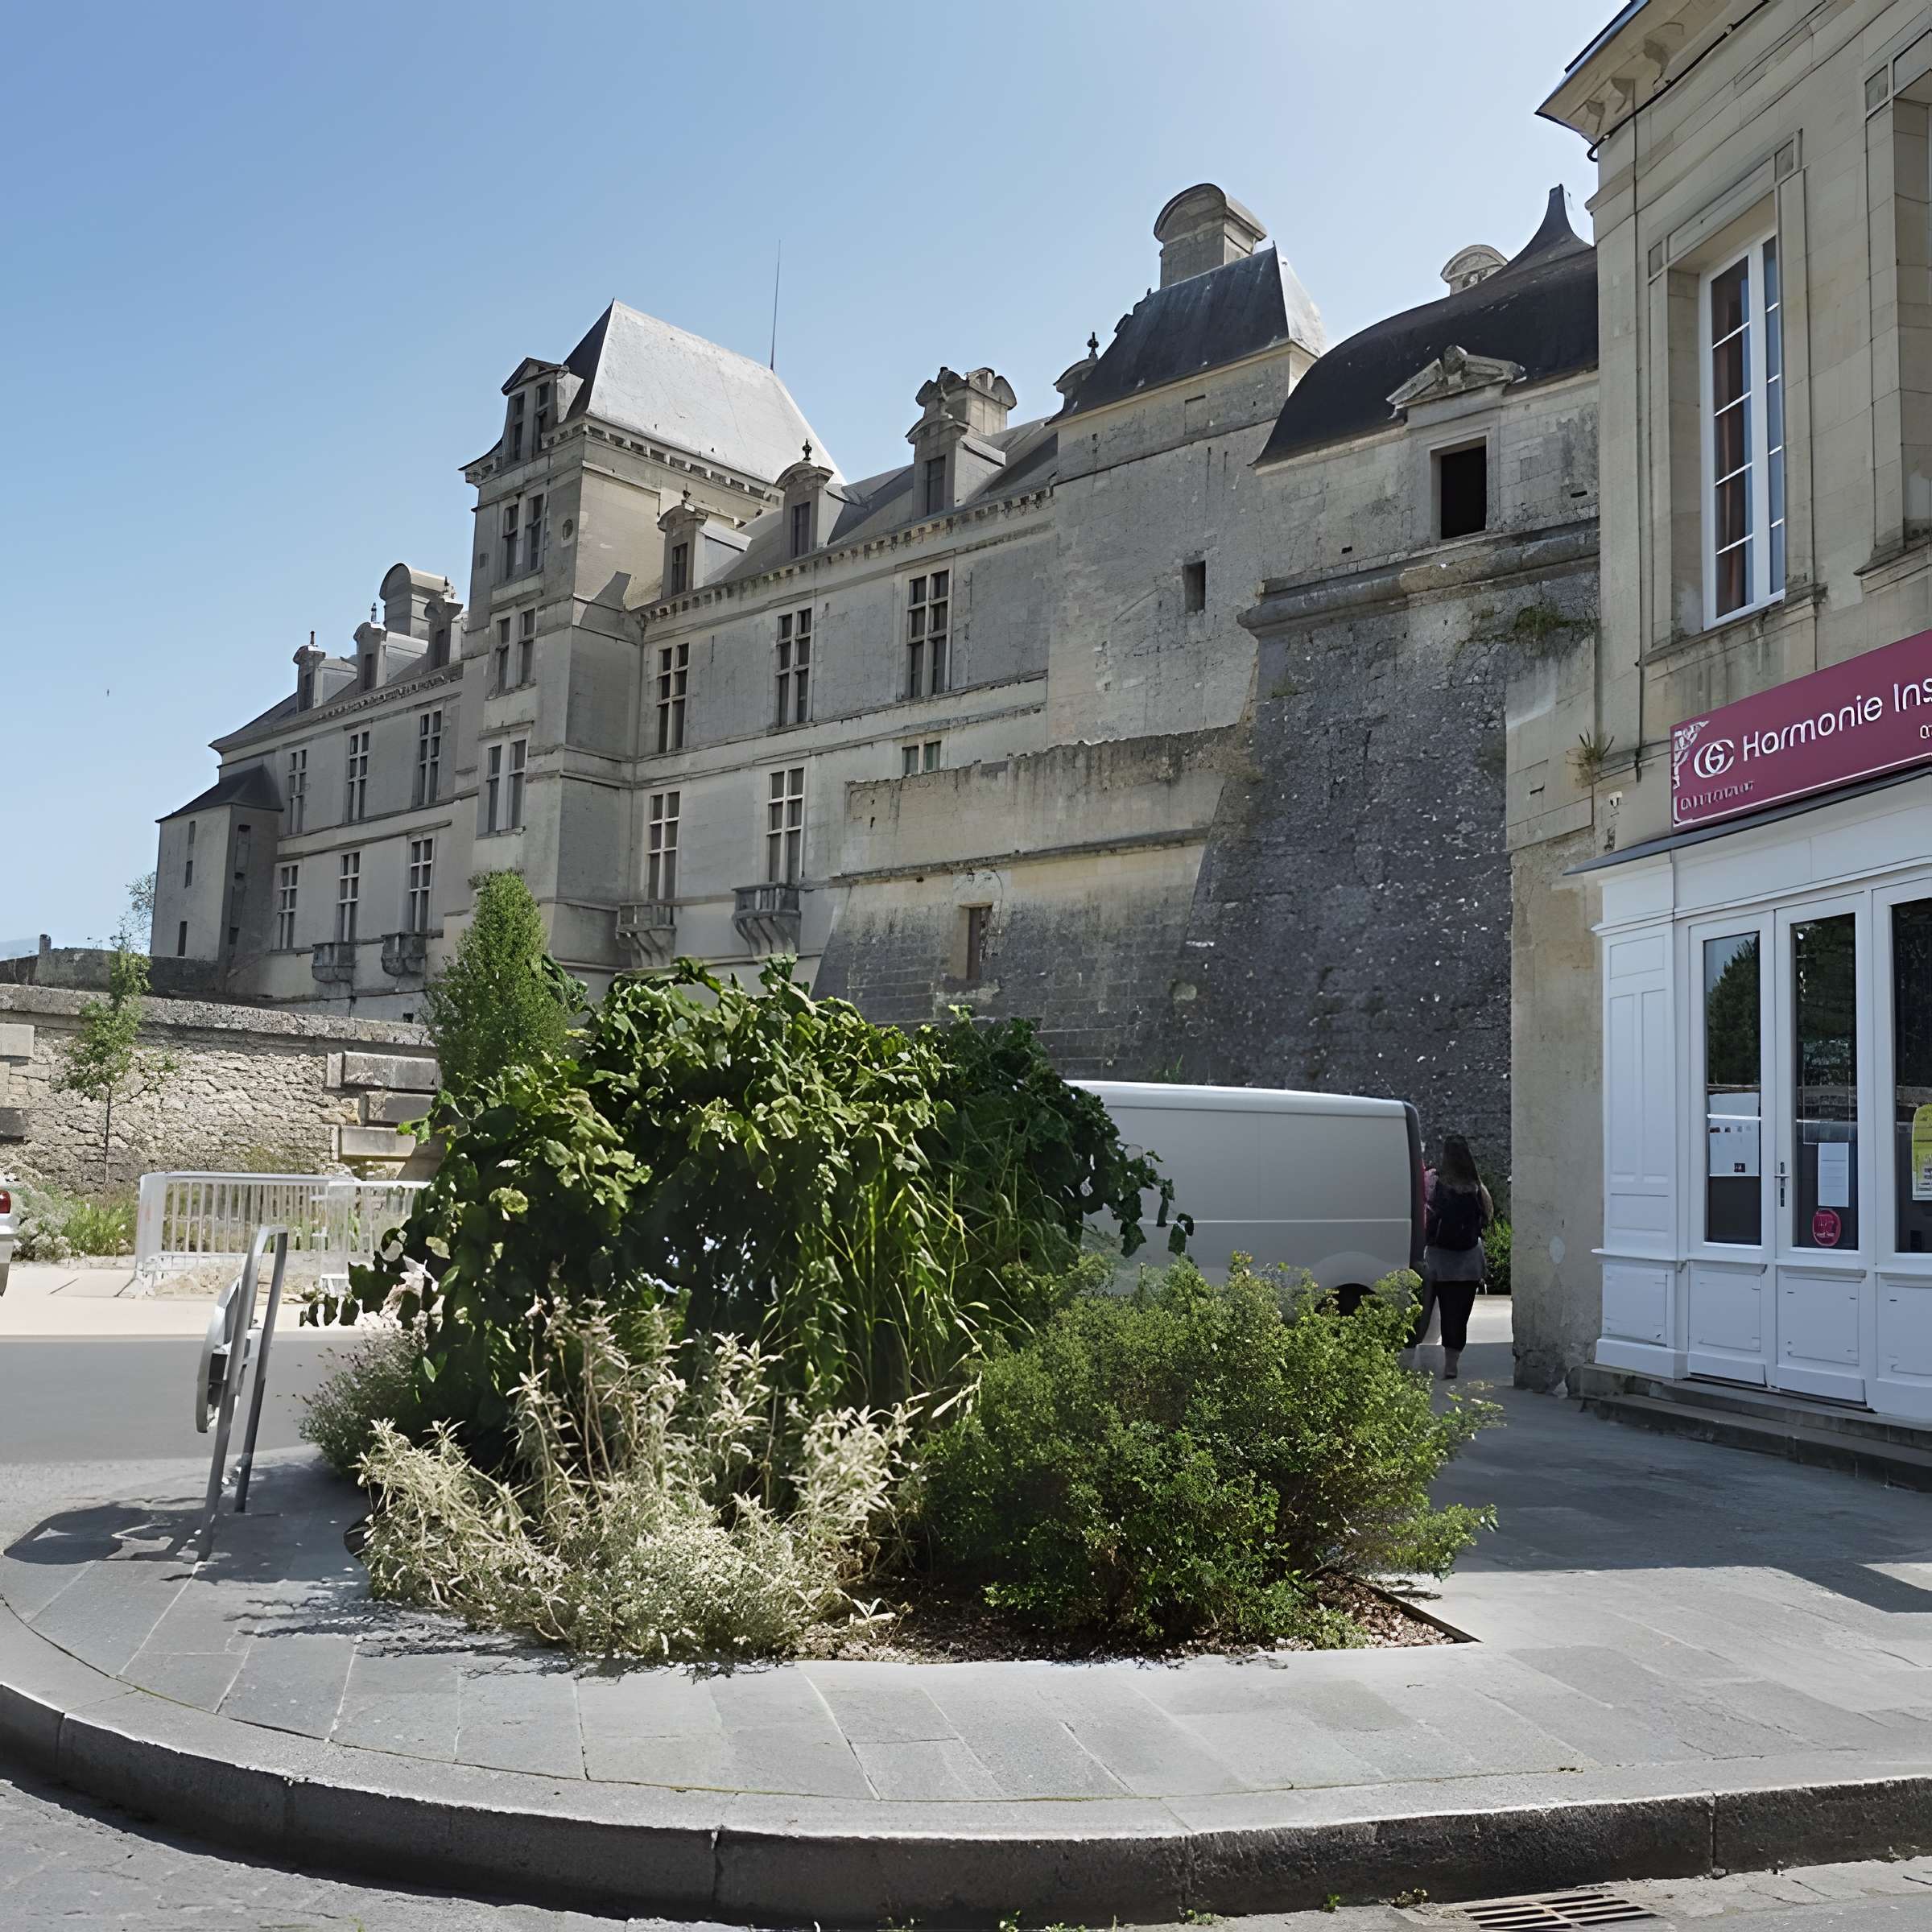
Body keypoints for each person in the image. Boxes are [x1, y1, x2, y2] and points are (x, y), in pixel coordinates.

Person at [1416, 1134, 1492, 1380]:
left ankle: (1413, 1354)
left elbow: (1422, 1212)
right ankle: (1451, 1364)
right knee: (1459, 1316)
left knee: (1433, 1310)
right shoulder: (1477, 1187)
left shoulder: (1433, 1181)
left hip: (1439, 1259)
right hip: (1469, 1262)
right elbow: (1488, 1216)